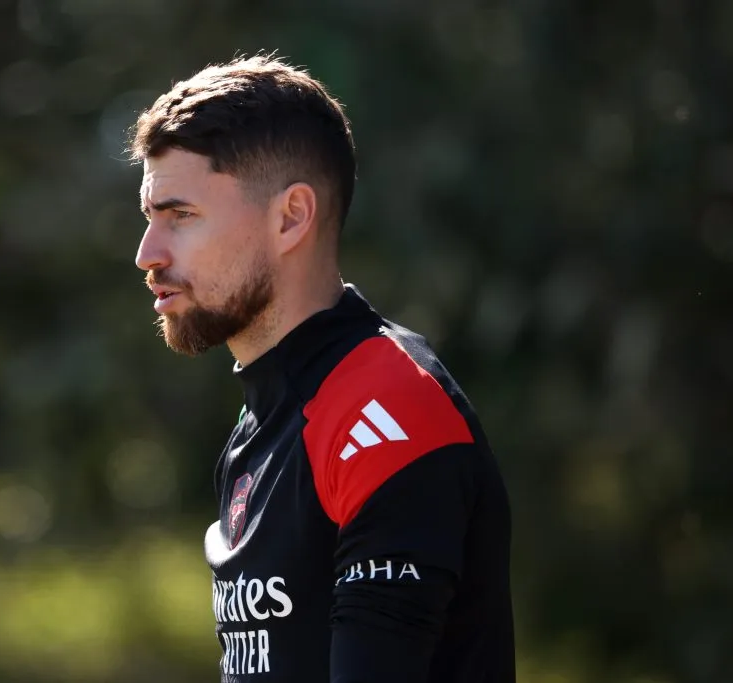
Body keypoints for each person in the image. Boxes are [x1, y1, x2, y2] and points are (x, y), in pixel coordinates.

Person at [127, 53, 515, 683]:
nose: (147, 254)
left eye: (181, 216)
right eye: (150, 218)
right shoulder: (265, 422)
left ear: (291, 217)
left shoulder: (388, 413)